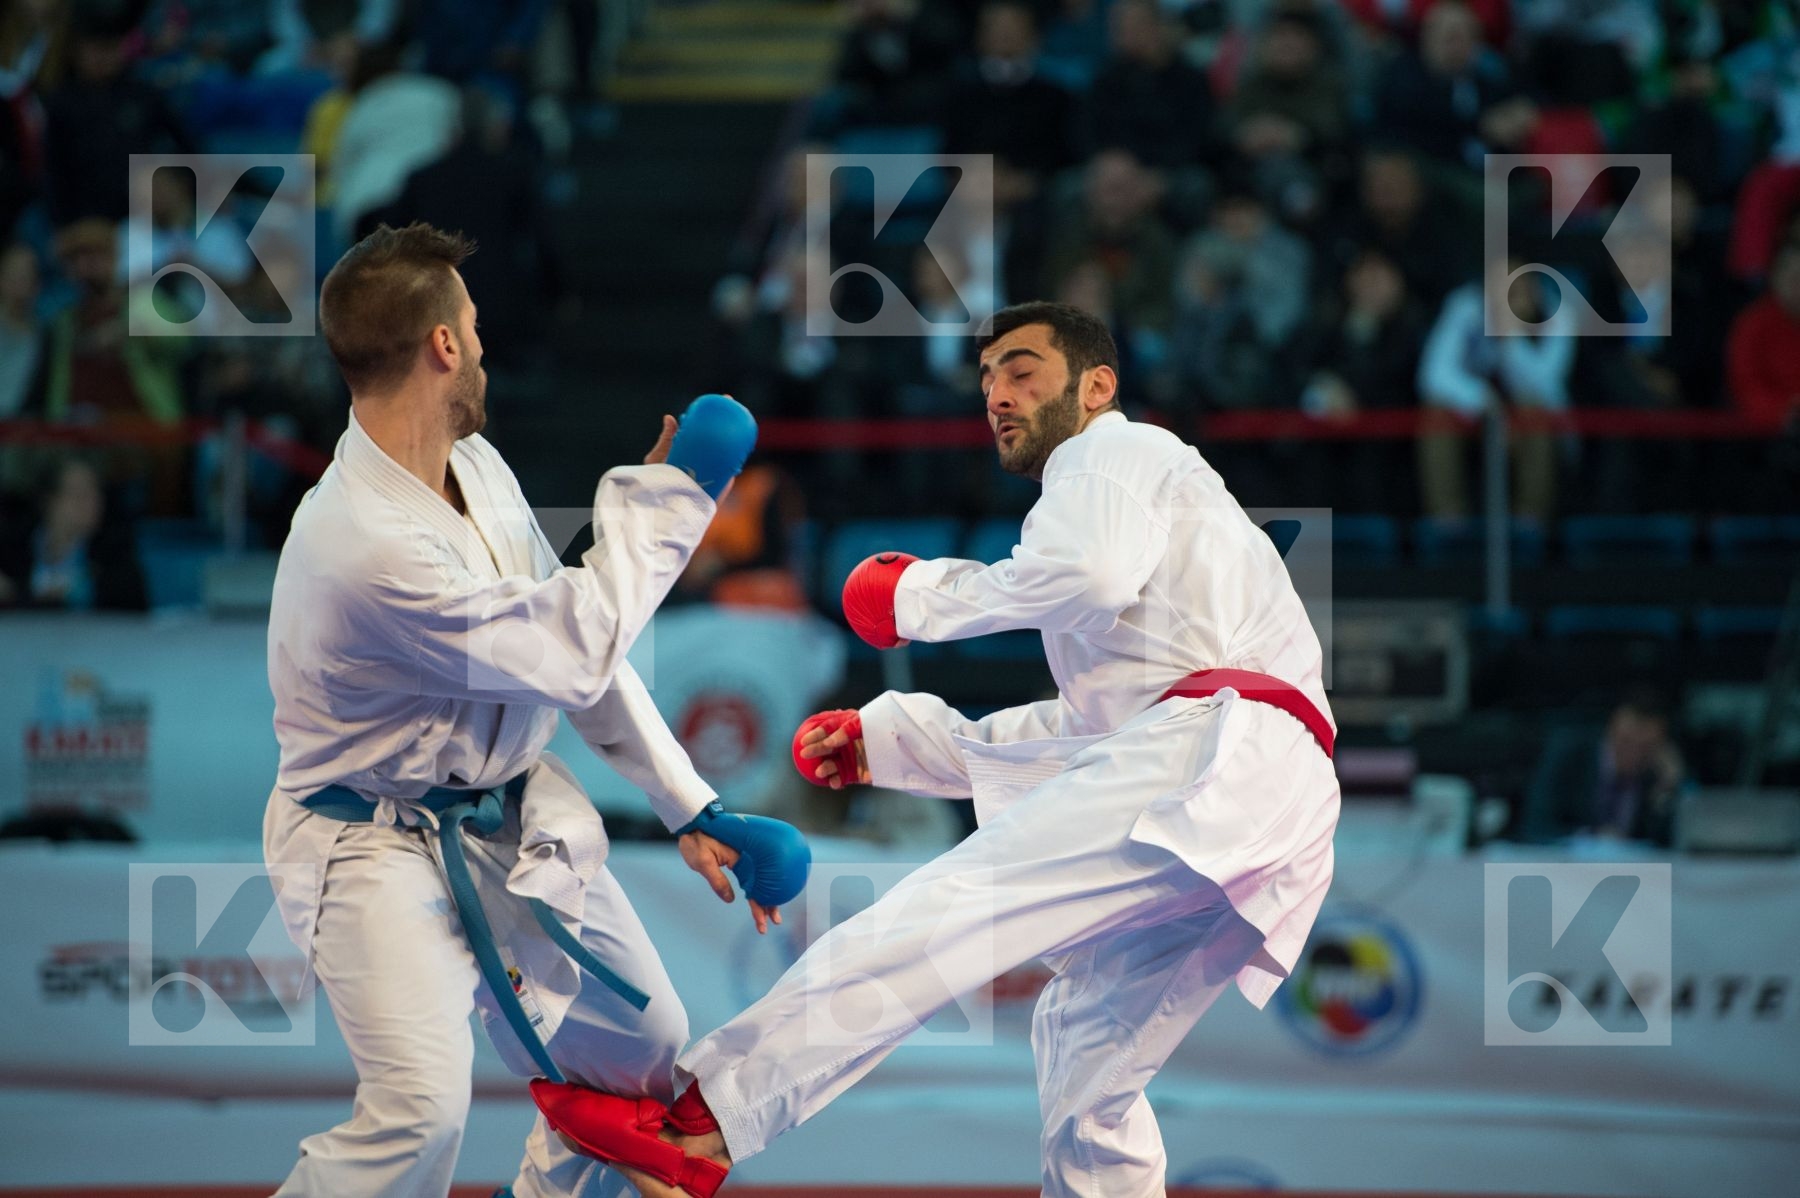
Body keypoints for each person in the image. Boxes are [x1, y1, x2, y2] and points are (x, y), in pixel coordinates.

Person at [532, 301, 1342, 1198]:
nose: (997, 393)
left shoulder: (1114, 451)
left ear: (1097, 386)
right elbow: (1093, 734)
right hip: (1247, 781)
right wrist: (897, 743)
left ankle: (707, 1124)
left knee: (948, 911)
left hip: (1222, 757)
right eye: (987, 376)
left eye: (1023, 369)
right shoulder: (1151, 539)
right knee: (1086, 1060)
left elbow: (1089, 582)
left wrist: (920, 596)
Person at [263, 222, 808, 1198]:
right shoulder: (363, 543)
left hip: (506, 806)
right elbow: (575, 643)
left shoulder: (476, 467)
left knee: (642, 1049)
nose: (481, 346)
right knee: (419, 1114)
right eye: (470, 327)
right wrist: (671, 500)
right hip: (372, 840)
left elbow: (573, 649)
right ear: (440, 346)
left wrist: (691, 803)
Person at [1519, 689, 1685, 846]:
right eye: (1626, 742)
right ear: (1611, 729)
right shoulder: (1570, 755)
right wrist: (1591, 837)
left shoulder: (1657, 776)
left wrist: (1667, 787)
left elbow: (1667, 845)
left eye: (1645, 747)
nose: (1634, 754)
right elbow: (1535, 825)